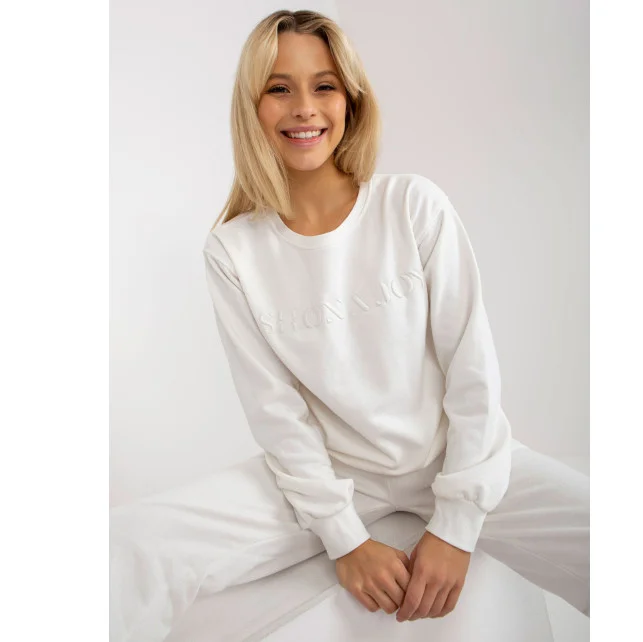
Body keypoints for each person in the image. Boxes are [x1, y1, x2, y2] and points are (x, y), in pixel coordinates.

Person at [110, 9, 589, 641]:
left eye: (324, 86)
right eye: (279, 88)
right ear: (251, 107)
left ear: (351, 100)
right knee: (129, 543)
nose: (303, 108)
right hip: (333, 479)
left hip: (457, 459)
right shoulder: (233, 250)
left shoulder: (412, 205)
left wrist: (455, 525)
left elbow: (472, 372)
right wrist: (345, 540)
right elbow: (276, 412)